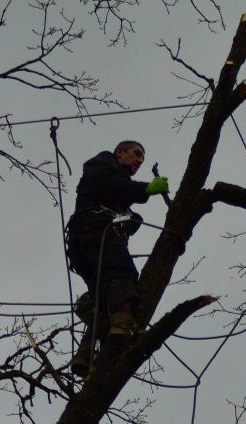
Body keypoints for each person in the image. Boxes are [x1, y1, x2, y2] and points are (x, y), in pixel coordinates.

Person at [65, 140, 169, 377]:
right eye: (135, 154)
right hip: (95, 234)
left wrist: (133, 219)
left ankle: (86, 352)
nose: (138, 161)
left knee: (104, 298)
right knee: (123, 274)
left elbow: (119, 193)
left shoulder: (117, 193)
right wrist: (145, 189)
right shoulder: (102, 163)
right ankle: (122, 324)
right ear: (120, 153)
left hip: (86, 243)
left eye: (141, 159)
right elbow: (113, 185)